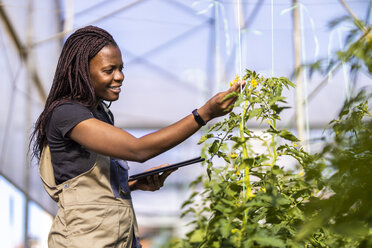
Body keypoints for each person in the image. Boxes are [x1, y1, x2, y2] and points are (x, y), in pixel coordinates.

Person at [31, 25, 242, 248]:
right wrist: (204, 114)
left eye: (121, 68)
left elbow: (88, 187)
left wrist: (130, 184)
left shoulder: (100, 113)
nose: (120, 76)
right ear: (82, 70)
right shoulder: (67, 114)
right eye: (109, 70)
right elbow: (138, 150)